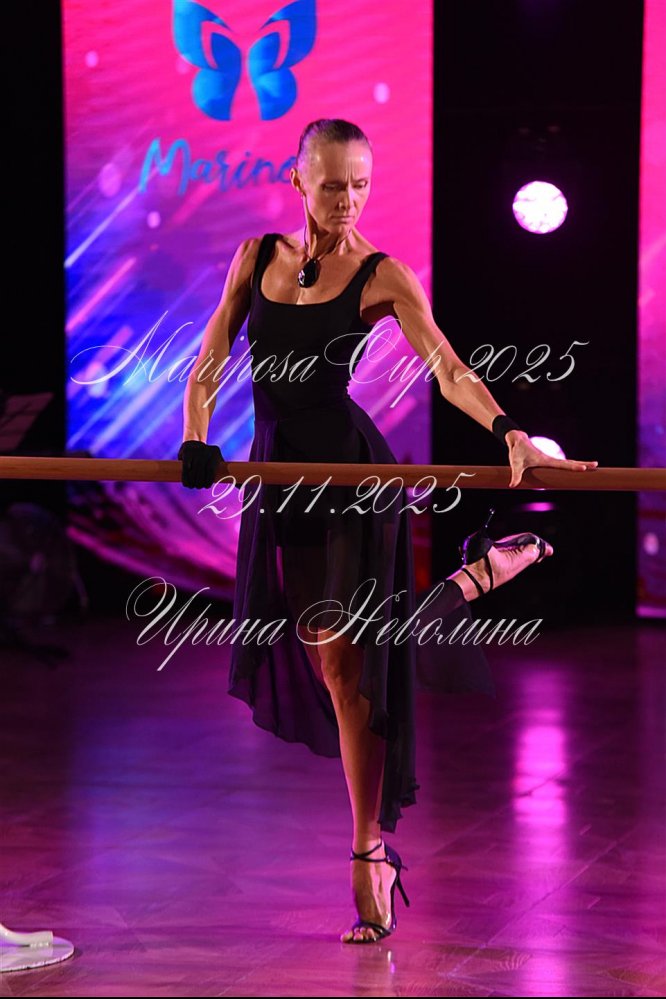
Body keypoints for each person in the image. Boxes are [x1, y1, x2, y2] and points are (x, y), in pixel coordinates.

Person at [179, 118, 598, 944]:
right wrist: (196, 436)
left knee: (351, 668)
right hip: (281, 479)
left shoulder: (382, 274)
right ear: (297, 180)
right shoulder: (255, 258)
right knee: (334, 663)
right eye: (333, 184)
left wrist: (510, 431)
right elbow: (209, 359)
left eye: (362, 184)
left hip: (352, 478)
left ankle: (368, 849)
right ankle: (474, 578)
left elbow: (448, 367)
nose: (348, 200)